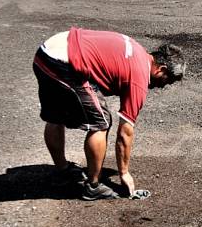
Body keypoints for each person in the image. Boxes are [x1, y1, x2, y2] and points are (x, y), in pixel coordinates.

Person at [32, 27, 185, 200]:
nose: (164, 86)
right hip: (64, 64)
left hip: (46, 53)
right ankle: (93, 186)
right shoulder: (139, 77)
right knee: (101, 122)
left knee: (56, 116)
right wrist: (124, 172)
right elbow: (125, 133)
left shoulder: (137, 50)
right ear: (161, 69)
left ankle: (62, 170)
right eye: (168, 80)